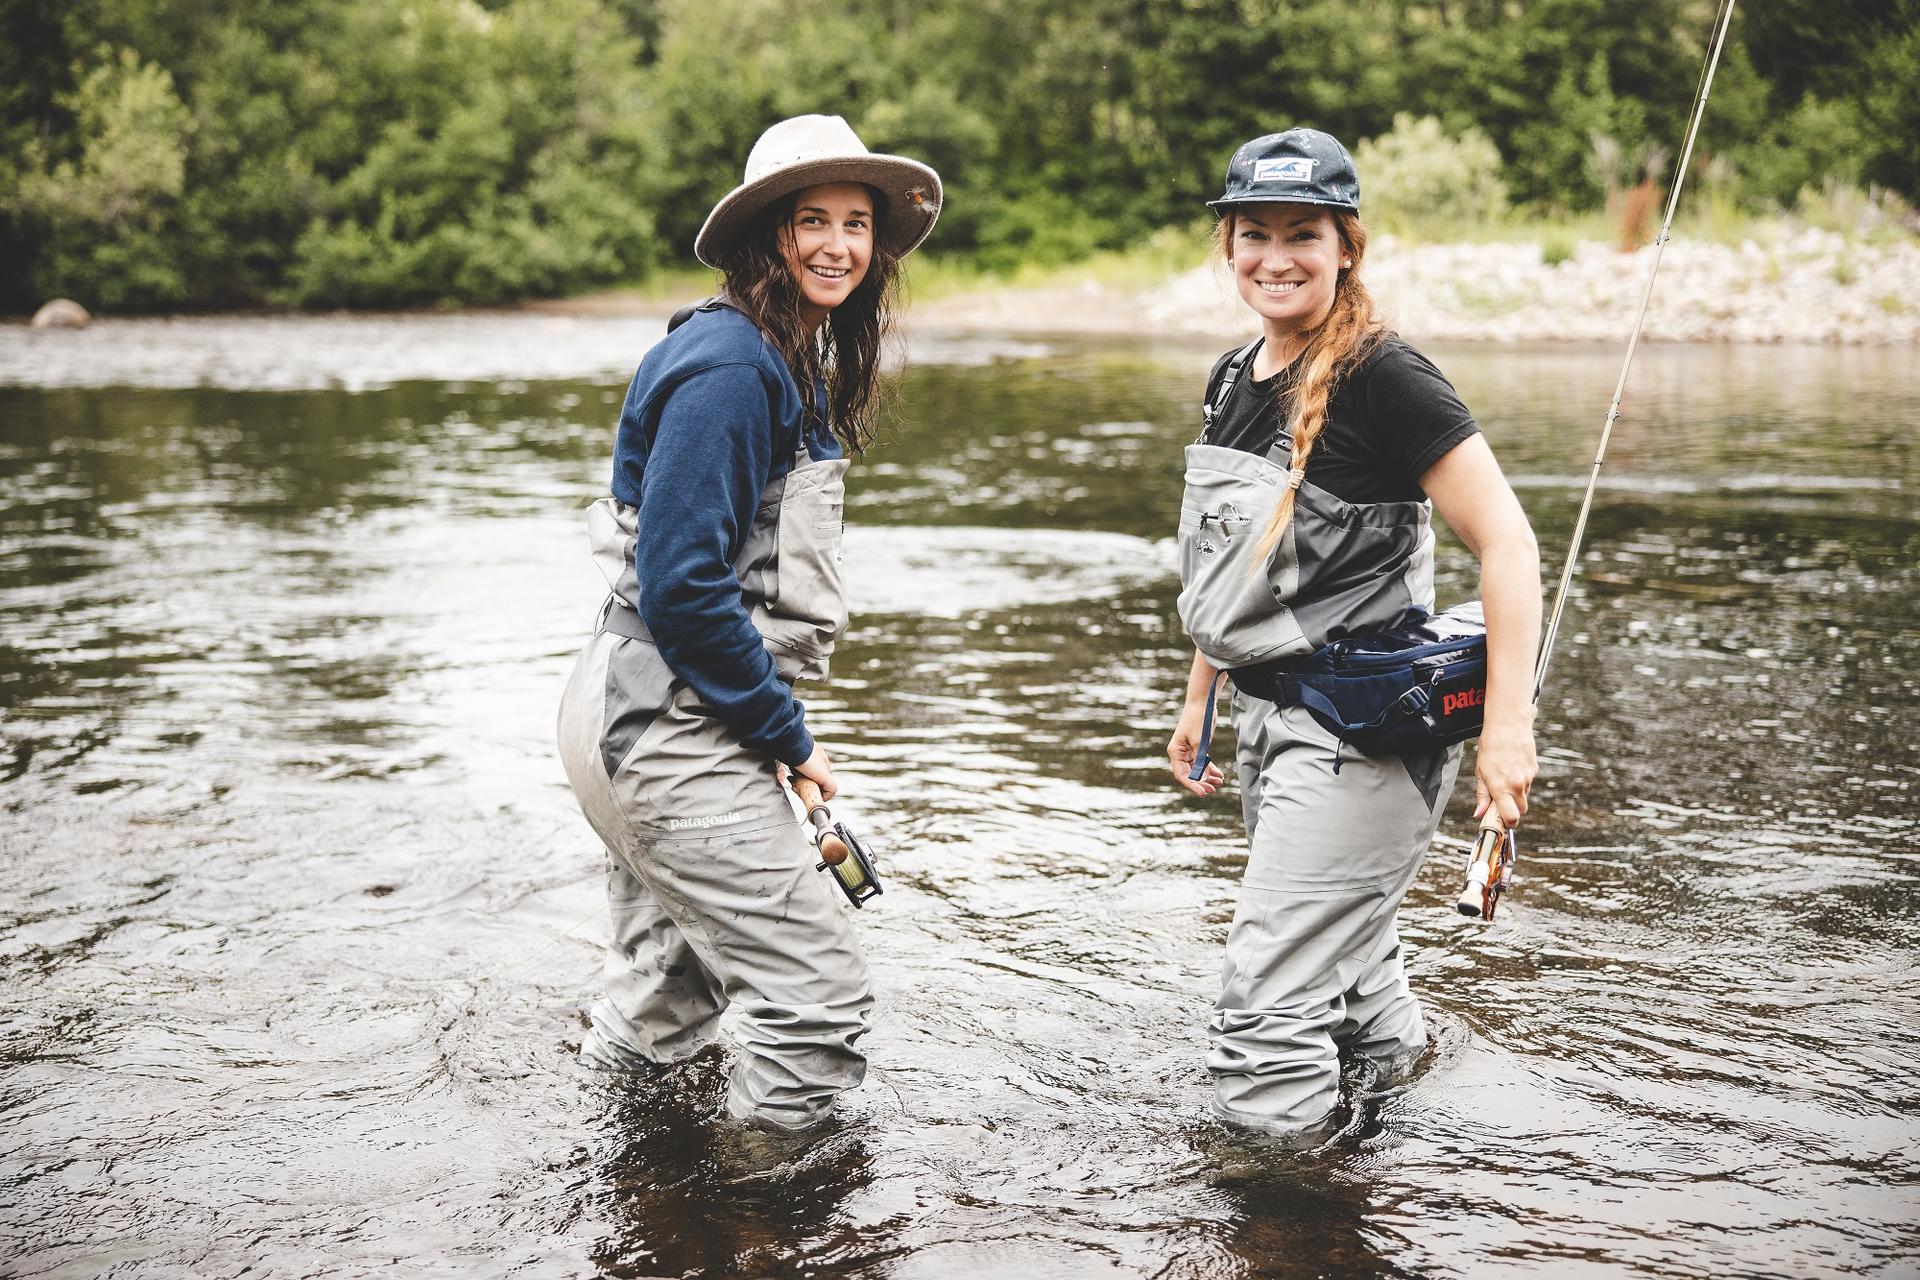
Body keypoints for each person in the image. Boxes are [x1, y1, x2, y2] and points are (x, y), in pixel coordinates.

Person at [556, 115, 941, 1131]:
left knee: (666, 988)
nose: (839, 245)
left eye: (857, 223)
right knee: (818, 998)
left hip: (645, 708)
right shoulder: (733, 369)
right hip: (661, 721)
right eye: (811, 219)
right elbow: (683, 586)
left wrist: (757, 723)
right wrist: (785, 730)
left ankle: (624, 1179)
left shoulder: (772, 358)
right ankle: (763, 1218)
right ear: (765, 236)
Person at [1165, 128, 1540, 1143]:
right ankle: (1400, 1156)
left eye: (1302, 233)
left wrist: (1508, 731)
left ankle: (1284, 1211)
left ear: (1346, 245)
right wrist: (1201, 694)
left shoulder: (1385, 375)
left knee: (1264, 1012)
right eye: (1254, 233)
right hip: (1271, 725)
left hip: (1359, 741)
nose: (1274, 256)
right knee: (1359, 981)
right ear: (1228, 244)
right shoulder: (1232, 376)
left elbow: (1508, 543)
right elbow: (1232, 561)